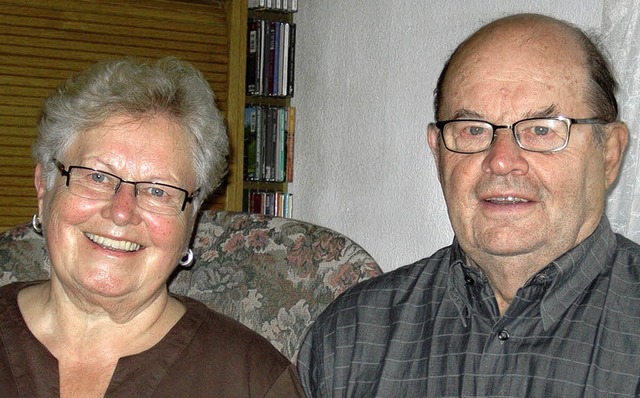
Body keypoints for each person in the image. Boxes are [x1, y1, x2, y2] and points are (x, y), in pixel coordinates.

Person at [297, 13, 640, 397]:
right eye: (474, 130)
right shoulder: (351, 338)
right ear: (437, 151)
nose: (501, 160)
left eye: (542, 129)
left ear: (609, 154)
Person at [0, 57, 304, 397]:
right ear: (45, 187)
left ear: (192, 217)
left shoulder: (253, 381)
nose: (122, 212)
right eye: (98, 176)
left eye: (158, 190)